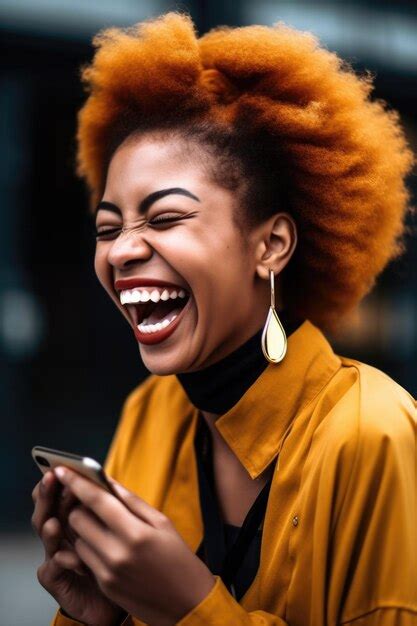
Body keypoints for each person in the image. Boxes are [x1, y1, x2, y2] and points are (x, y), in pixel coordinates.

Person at [31, 11, 417, 626]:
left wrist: (188, 607)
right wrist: (97, 616)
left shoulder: (376, 433)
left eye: (164, 218)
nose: (122, 250)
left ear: (271, 246)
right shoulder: (149, 412)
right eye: (108, 228)